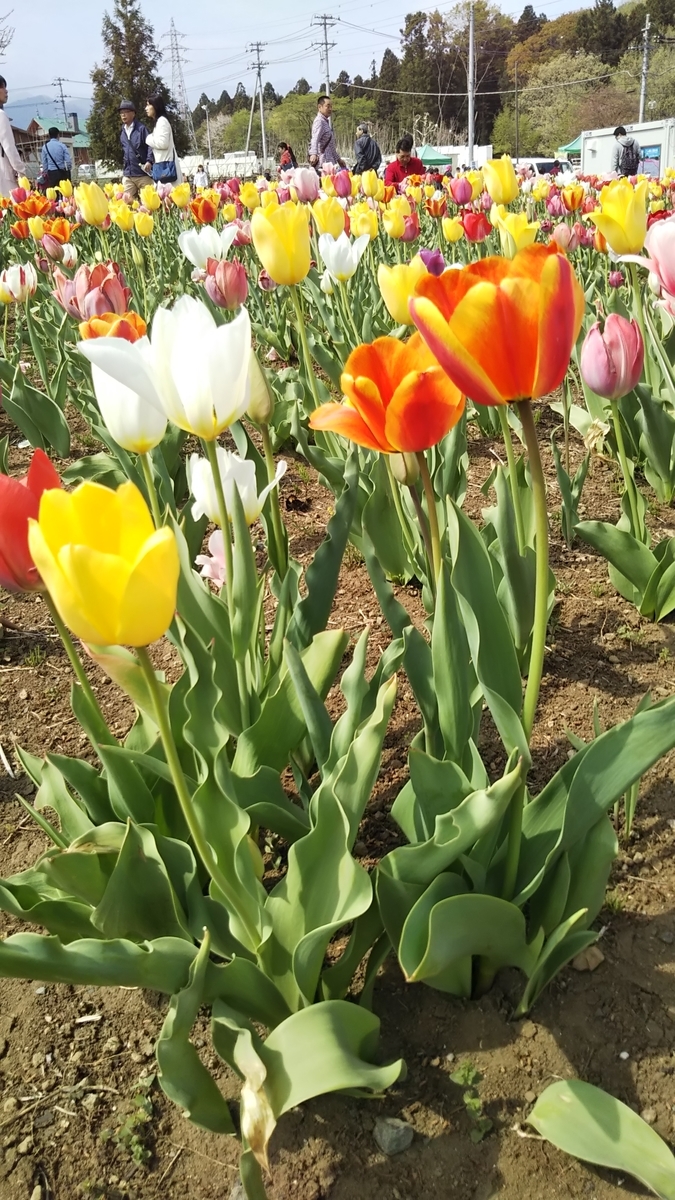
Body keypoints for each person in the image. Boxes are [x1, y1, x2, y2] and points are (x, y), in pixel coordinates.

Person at [145, 93, 182, 185]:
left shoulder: (162, 121)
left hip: (167, 168)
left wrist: (148, 139)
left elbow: (163, 143)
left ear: (156, 106)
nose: (146, 108)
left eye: (148, 105)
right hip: (163, 166)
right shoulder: (159, 122)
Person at [119, 100, 153, 199]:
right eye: (121, 113)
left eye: (126, 112)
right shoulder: (123, 132)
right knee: (127, 204)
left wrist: (149, 161)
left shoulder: (141, 129)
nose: (123, 115)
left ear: (133, 113)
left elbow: (150, 145)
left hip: (143, 174)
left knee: (149, 203)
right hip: (128, 175)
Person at [0, 75, 24, 198]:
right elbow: (9, 147)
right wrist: (21, 171)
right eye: (2, 87)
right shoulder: (1, 115)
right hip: (3, 174)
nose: (6, 90)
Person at [308, 95, 345, 170]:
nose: (330, 109)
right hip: (323, 162)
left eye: (331, 107)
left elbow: (331, 146)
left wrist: (339, 160)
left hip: (329, 161)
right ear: (319, 107)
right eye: (327, 106)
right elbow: (315, 139)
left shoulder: (325, 122)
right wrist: (313, 154)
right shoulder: (319, 121)